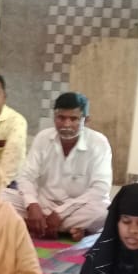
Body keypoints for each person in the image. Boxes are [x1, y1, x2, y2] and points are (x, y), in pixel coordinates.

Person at [9, 91, 112, 238]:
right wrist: (32, 205)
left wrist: (60, 214)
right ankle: (67, 229)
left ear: (86, 120)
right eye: (61, 118)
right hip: (43, 203)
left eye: (74, 119)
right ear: (54, 117)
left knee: (104, 213)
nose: (66, 124)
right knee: (0, 198)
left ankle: (36, 225)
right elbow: (26, 176)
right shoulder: (43, 138)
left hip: (77, 208)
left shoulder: (99, 143)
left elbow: (100, 189)